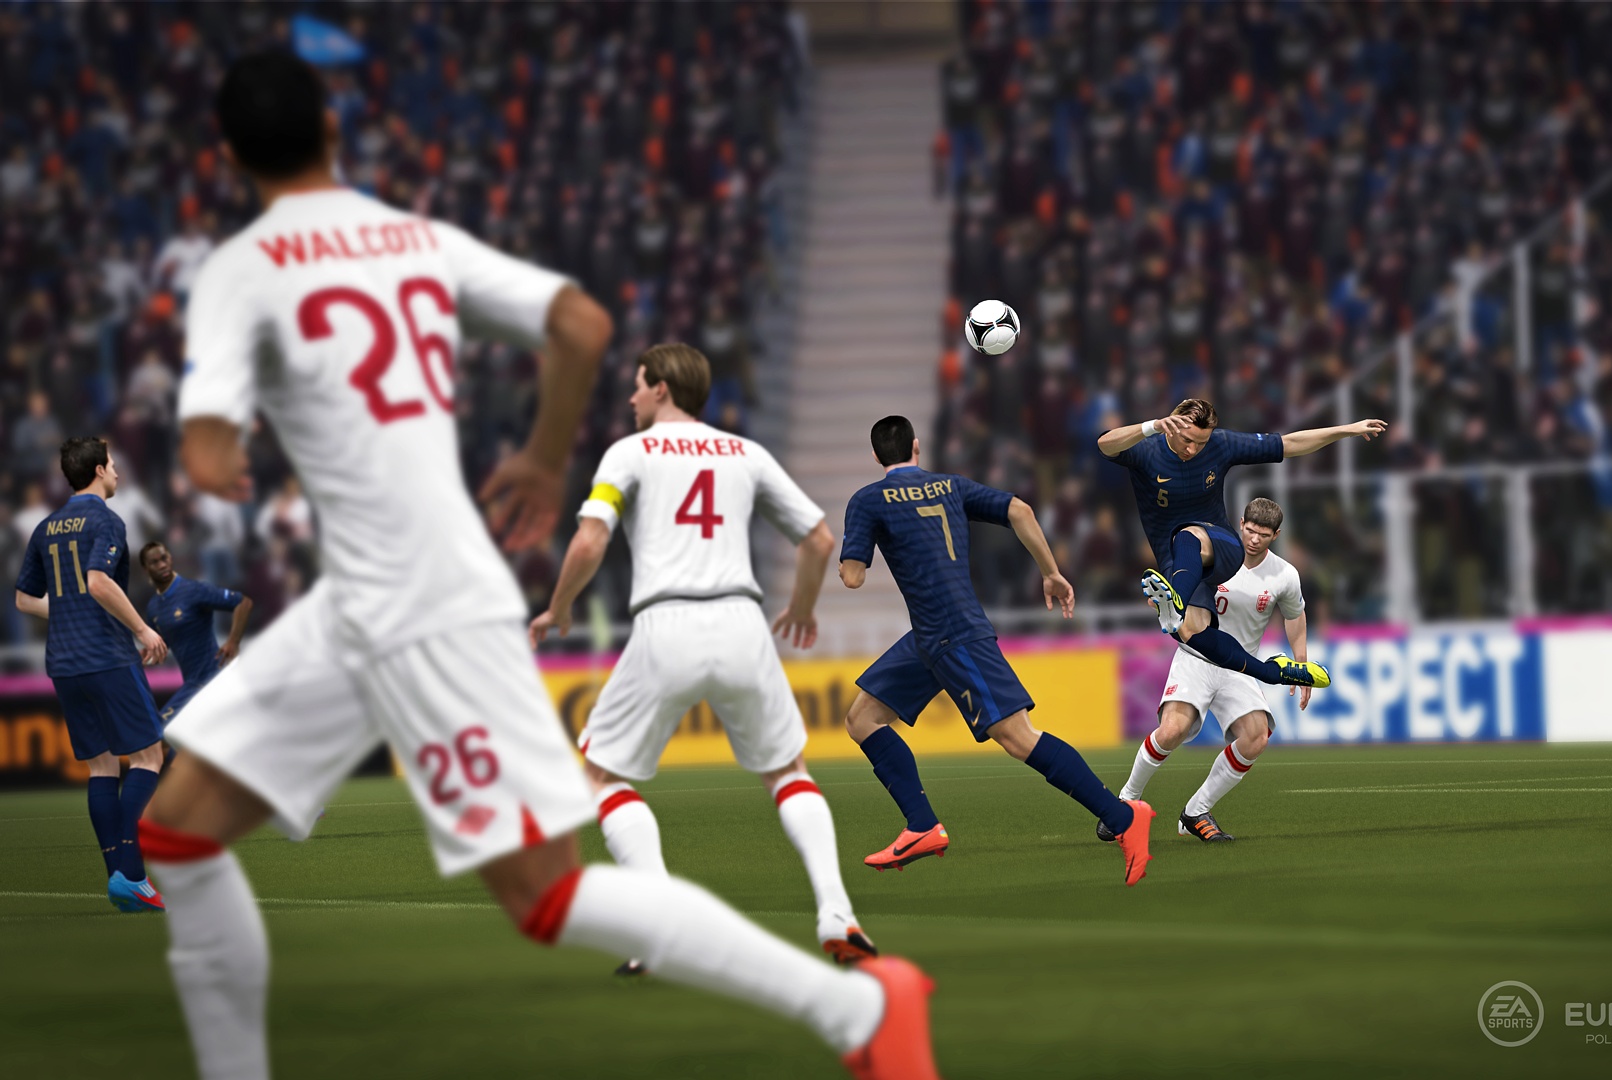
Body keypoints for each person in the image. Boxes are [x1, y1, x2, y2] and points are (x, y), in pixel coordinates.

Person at [139, 52, 937, 1080]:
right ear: (333, 133)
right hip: (388, 599)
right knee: (180, 832)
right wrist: (545, 455)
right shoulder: (413, 239)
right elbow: (580, 323)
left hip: (420, 601)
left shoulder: (240, 269)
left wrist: (222, 451)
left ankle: (856, 1011)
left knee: (548, 890)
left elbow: (208, 449)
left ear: (228, 153)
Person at [531, 342, 873, 967]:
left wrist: (558, 608)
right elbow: (821, 540)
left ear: (662, 388)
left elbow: (589, 539)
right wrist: (801, 609)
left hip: (667, 621)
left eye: (639, 384)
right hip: (742, 621)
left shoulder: (630, 453)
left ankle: (663, 926)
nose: (632, 396)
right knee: (788, 772)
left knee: (600, 777)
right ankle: (838, 914)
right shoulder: (745, 453)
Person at [839, 416, 1156, 885]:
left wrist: (849, 555)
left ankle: (1124, 817)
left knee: (1018, 737)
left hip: (952, 633)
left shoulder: (867, 500)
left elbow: (853, 577)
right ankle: (922, 825)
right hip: (931, 635)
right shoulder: (949, 486)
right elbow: (1020, 510)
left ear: (875, 456)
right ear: (916, 447)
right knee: (862, 718)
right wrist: (1050, 572)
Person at [1096, 399, 1381, 685]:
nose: (1193, 449)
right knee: (1192, 633)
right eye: (1187, 440)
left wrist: (1347, 429)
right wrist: (1151, 426)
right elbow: (1105, 444)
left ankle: (1176, 602)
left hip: (1222, 547)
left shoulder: (1221, 444)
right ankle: (1274, 672)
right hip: (1178, 564)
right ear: (1171, 426)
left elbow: (1289, 443)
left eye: (1200, 443)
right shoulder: (1147, 449)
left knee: (1188, 535)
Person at [12, 437, 171, 913]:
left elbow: (23, 599)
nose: (118, 471)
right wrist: (142, 629)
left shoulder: (45, 527)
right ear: (99, 470)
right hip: (106, 655)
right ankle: (131, 873)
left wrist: (66, 610)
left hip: (63, 661)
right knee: (149, 756)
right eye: (114, 464)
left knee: (101, 767)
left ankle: (122, 881)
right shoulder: (106, 520)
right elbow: (98, 582)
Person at [1107, 498, 1308, 844]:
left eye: (1263, 534)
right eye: (1250, 530)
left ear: (1275, 535)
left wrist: (1300, 661)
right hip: (1195, 657)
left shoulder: (1284, 575)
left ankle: (1196, 812)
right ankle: (1125, 801)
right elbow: (1176, 586)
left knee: (1257, 737)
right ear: (1240, 523)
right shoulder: (1215, 554)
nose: (1254, 539)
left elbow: (1295, 615)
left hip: (1239, 666)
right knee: (1172, 730)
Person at [140, 540, 253, 723]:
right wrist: (146, 656)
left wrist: (233, 641)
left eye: (164, 558)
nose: (162, 565)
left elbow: (243, 603)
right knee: (164, 733)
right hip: (193, 684)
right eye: (154, 562)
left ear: (171, 558)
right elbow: (162, 646)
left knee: (161, 730)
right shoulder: (153, 608)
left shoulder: (194, 590)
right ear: (146, 569)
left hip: (212, 679)